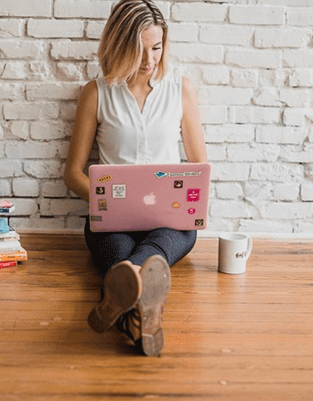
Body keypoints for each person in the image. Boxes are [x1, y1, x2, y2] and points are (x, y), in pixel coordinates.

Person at [63, 0, 207, 356]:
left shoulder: (180, 89)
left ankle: (120, 301)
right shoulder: (96, 93)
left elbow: (198, 166)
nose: (149, 59)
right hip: (112, 222)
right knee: (126, 254)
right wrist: (106, 203)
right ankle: (145, 315)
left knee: (131, 264)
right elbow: (72, 174)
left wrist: (191, 201)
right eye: (138, 49)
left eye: (156, 48)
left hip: (170, 222)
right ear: (118, 44)